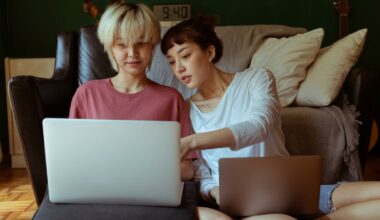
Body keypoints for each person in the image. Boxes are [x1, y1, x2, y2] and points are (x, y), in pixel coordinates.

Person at [161, 18, 380, 220]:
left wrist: (194, 140)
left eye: (185, 55)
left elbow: (258, 127)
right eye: (171, 61)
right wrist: (216, 192)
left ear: (209, 52)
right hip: (243, 202)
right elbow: (200, 170)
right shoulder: (187, 109)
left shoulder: (257, 78)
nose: (178, 68)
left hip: (291, 190)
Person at [69, 2, 196, 180]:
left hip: (153, 193)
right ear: (110, 48)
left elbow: (187, 168)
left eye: (141, 43)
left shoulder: (172, 99)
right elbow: (72, 159)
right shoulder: (86, 94)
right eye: (122, 45)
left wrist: (137, 177)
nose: (132, 53)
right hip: (100, 189)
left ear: (152, 45)